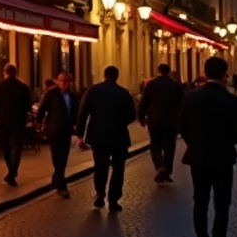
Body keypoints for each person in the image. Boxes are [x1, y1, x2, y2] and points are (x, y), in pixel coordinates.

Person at [179, 56, 237, 237]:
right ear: (225, 75)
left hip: (198, 157)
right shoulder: (233, 101)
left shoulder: (190, 98)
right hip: (223, 158)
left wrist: (196, 143)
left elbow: (183, 128)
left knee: (200, 200)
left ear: (205, 73)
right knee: (221, 204)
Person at [76, 66, 137, 211]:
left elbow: (82, 112)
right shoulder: (123, 93)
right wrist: (120, 122)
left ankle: (100, 193)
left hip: (98, 136)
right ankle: (114, 199)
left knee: (100, 166)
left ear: (104, 75)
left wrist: (80, 134)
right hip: (119, 136)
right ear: (117, 76)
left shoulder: (93, 90)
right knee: (118, 169)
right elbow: (132, 115)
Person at [139, 63, 187, 184]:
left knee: (155, 144)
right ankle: (166, 170)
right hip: (171, 121)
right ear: (169, 72)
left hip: (154, 121)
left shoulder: (150, 85)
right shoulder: (176, 85)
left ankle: (160, 166)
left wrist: (141, 118)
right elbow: (183, 103)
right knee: (169, 146)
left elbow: (143, 103)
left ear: (157, 71)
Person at [0, 64, 34, 187]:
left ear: (4, 73)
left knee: (6, 148)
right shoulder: (23, 88)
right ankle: (12, 172)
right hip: (18, 122)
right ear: (16, 73)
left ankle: (11, 171)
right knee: (16, 147)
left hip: (2, 122)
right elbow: (29, 106)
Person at [37, 71, 79, 198]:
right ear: (58, 81)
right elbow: (42, 108)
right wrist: (38, 122)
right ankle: (62, 186)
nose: (65, 85)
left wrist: (77, 125)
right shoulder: (51, 93)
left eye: (67, 83)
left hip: (66, 131)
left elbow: (77, 111)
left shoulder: (72, 95)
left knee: (63, 158)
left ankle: (56, 181)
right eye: (63, 82)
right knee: (57, 157)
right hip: (54, 130)